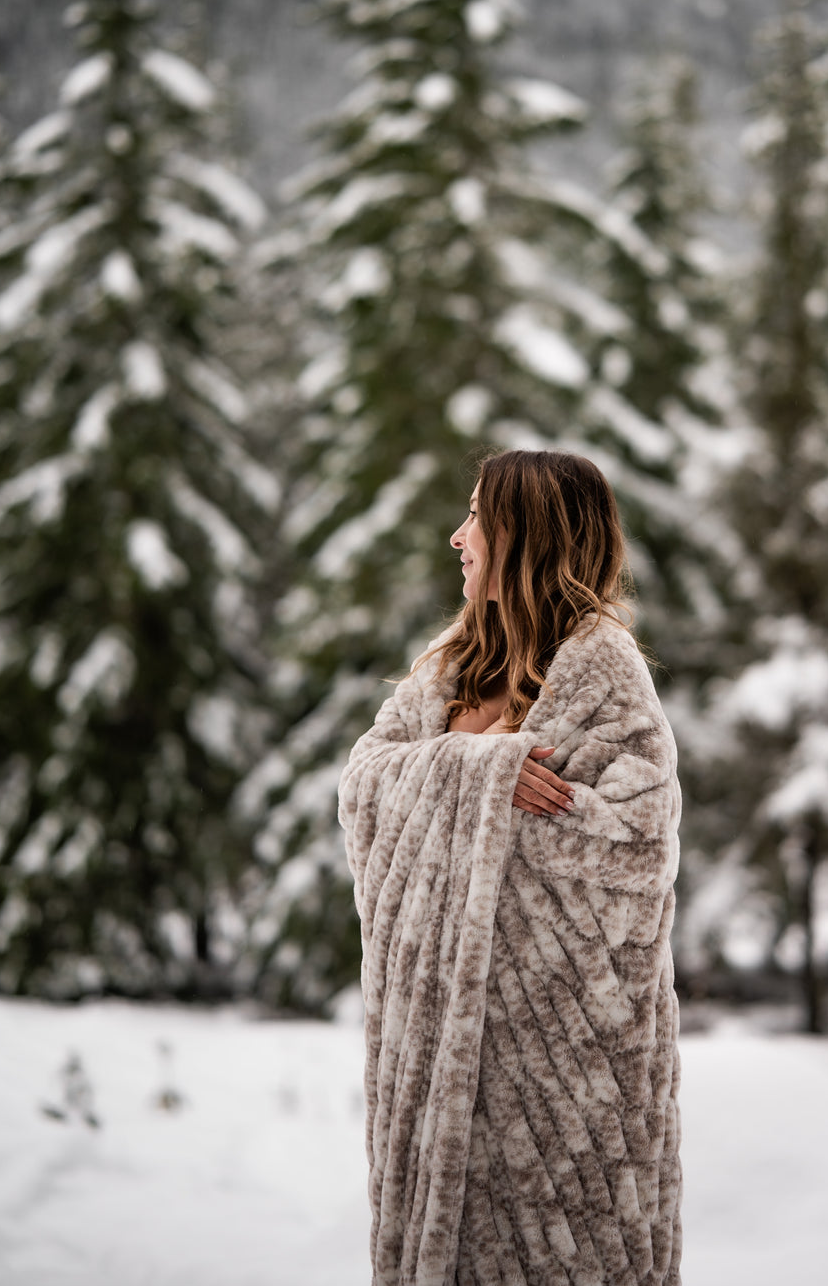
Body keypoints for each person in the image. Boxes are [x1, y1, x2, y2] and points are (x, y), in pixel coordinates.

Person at [339, 449, 682, 1285]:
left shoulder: (604, 671)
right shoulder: (450, 664)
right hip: (435, 1055)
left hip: (559, 1069)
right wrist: (480, 772)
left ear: (525, 536)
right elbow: (363, 784)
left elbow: (639, 843)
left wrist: (496, 804)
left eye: (476, 519)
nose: (458, 537)